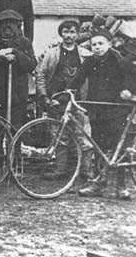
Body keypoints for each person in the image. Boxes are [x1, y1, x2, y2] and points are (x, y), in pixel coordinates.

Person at [67, 29, 136, 200]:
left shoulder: (118, 60)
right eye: (94, 44)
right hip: (97, 110)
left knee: (119, 149)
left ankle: (121, 186)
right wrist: (68, 90)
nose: (97, 47)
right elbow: (79, 78)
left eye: (101, 43)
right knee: (99, 148)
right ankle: (98, 183)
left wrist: (128, 89)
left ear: (109, 44)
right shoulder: (89, 62)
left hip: (116, 110)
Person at [34, 19, 93, 181]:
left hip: (78, 101)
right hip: (57, 101)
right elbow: (41, 75)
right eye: (66, 32)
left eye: (72, 32)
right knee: (59, 135)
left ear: (77, 34)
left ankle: (86, 171)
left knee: (84, 135)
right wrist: (44, 96)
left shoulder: (85, 54)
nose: (69, 36)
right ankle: (61, 170)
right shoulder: (52, 53)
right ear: (61, 34)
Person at [0, 10, 37, 131]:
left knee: (16, 128)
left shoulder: (24, 43)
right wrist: (0, 58)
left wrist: (15, 52)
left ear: (18, 26)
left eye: (12, 24)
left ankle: (14, 150)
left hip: (18, 94)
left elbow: (31, 65)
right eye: (3, 24)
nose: (7, 27)